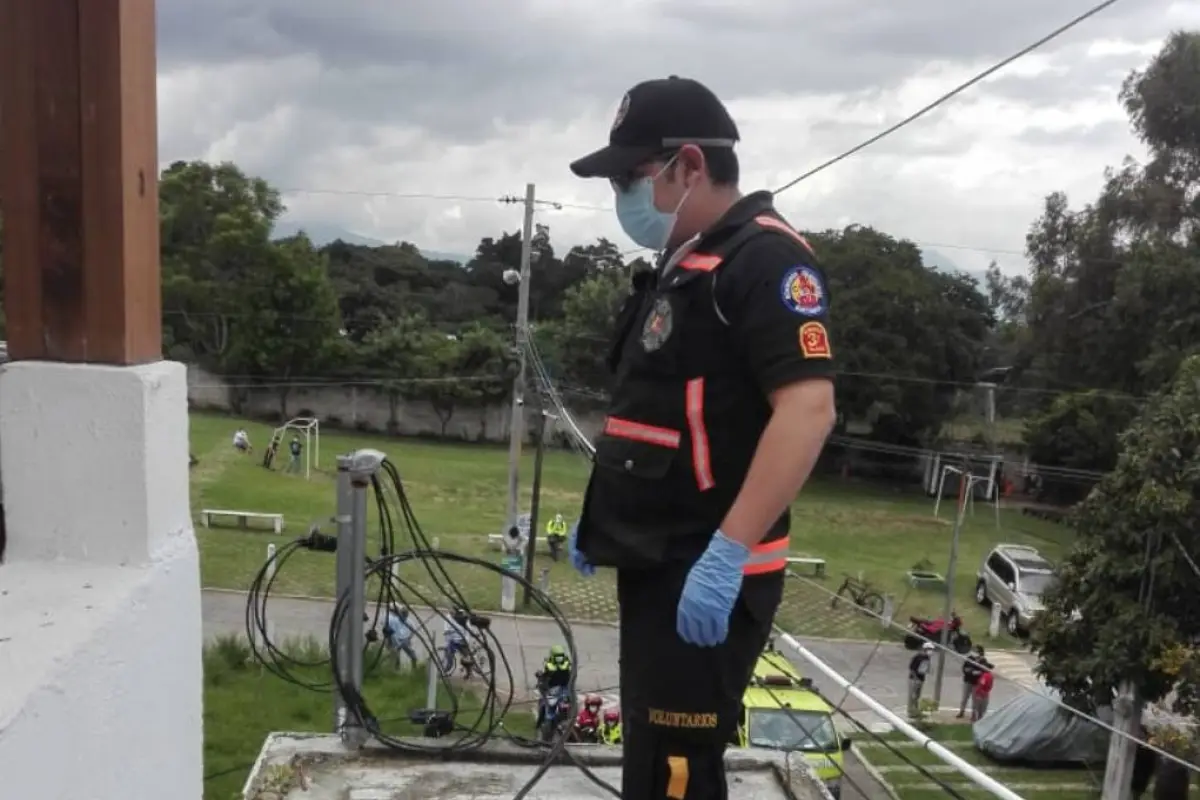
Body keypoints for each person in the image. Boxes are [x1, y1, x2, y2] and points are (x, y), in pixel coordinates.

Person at [566, 76, 837, 800]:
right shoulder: (690, 258)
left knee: (679, 770)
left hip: (706, 564)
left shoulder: (767, 261)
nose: (621, 195)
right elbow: (660, 413)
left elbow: (808, 411)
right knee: (656, 758)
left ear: (690, 165)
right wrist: (605, 519)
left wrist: (728, 553)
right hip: (659, 556)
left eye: (631, 177)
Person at [535, 644, 573, 729]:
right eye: (557, 656)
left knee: (569, 703)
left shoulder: (567, 663)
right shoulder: (548, 664)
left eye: (560, 656)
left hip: (564, 688)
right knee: (543, 703)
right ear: (553, 656)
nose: (559, 658)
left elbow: (571, 674)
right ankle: (540, 721)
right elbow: (544, 675)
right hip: (551, 689)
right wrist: (541, 678)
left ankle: (568, 720)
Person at [958, 645, 987, 719]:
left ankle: (973, 714)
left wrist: (977, 672)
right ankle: (961, 711)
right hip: (967, 681)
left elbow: (984, 671)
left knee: (975, 700)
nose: (974, 652)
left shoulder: (983, 660)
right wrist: (970, 671)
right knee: (964, 698)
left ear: (980, 652)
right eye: (973, 650)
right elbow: (964, 669)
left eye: (976, 651)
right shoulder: (969, 658)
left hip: (976, 683)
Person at [908, 642, 935, 719]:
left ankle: (916, 711)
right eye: (930, 649)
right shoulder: (917, 657)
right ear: (925, 649)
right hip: (914, 679)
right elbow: (911, 669)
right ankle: (911, 711)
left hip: (921, 679)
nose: (931, 651)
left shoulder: (927, 658)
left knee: (917, 696)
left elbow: (925, 668)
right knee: (912, 696)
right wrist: (916, 679)